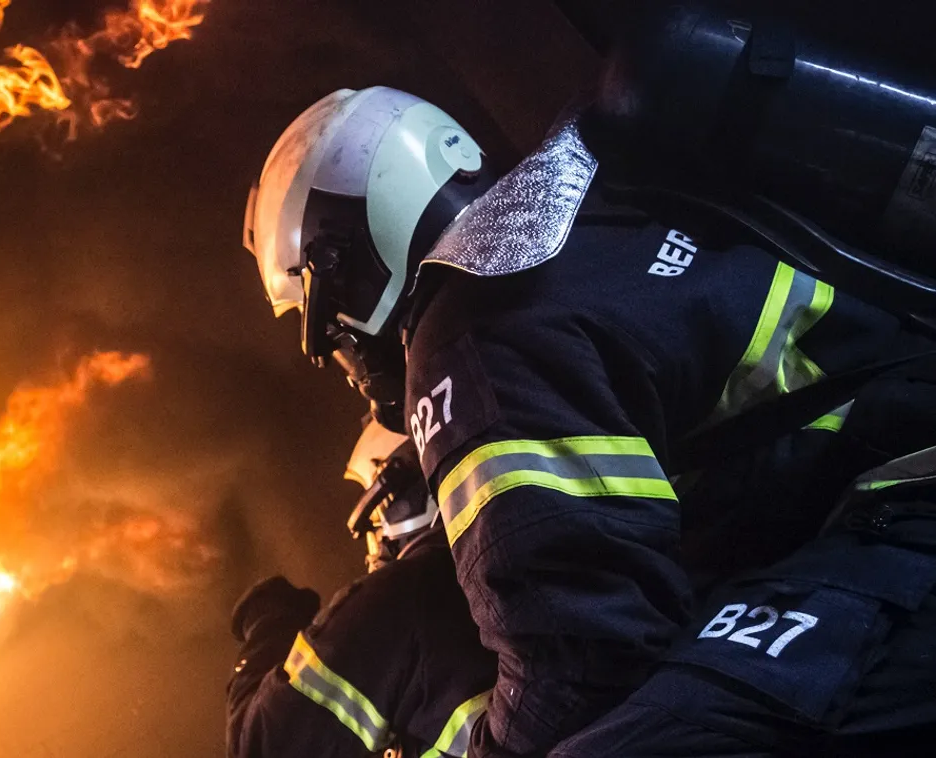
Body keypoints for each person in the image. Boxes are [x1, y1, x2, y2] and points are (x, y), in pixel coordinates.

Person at [242, 85, 936, 755]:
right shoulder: (583, 202)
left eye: (327, 326)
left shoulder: (471, 334)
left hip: (898, 502)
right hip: (879, 472)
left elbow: (582, 659)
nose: (346, 358)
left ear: (339, 260)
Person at [228, 419, 497, 758]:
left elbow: (262, 747)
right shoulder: (508, 560)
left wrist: (267, 628)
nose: (375, 541)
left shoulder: (404, 594)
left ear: (402, 492)